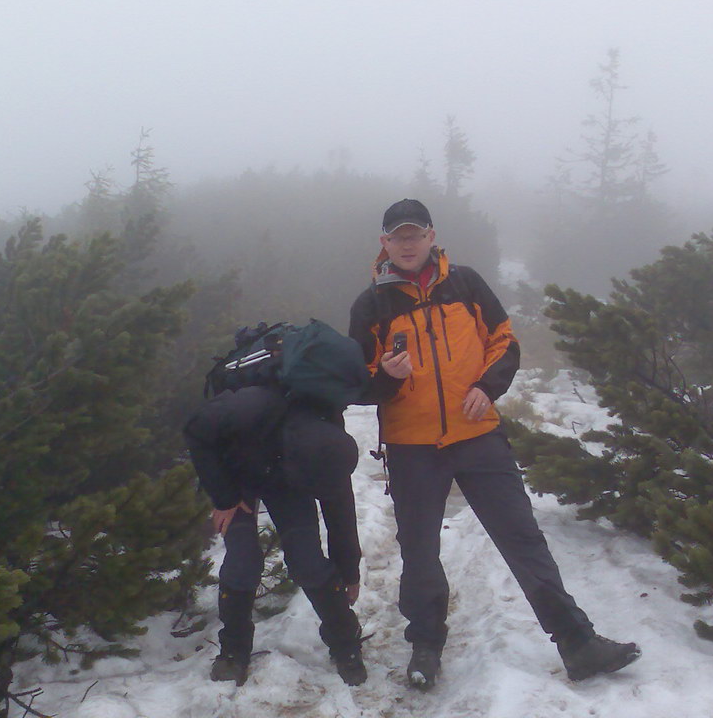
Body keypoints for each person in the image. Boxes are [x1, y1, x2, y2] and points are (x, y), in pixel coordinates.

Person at [348, 198, 640, 690]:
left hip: (478, 436)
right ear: (384, 244)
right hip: (412, 447)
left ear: (431, 236)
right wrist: (386, 378)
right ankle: (425, 648)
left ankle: (577, 642)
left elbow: (504, 340)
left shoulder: (465, 282)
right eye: (398, 236)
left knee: (522, 538)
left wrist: (488, 386)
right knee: (420, 552)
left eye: (415, 234)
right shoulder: (371, 305)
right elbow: (356, 382)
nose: (407, 243)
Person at [184, 385, 367, 687]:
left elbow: (341, 517)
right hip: (235, 474)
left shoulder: (327, 449)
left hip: (283, 481)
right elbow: (195, 430)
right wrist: (224, 497)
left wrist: (349, 574)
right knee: (243, 560)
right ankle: (233, 650)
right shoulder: (250, 408)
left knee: (307, 561)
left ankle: (346, 641)